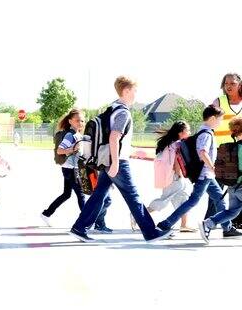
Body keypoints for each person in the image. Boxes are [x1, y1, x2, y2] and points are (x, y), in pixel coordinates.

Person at [69, 76, 172, 243]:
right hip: (117, 162)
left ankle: (79, 228)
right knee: (133, 196)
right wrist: (116, 162)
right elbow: (114, 137)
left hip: (108, 160)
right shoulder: (123, 112)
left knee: (99, 195)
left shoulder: (112, 108)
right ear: (126, 91)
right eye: (134, 91)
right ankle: (150, 232)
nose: (136, 95)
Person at [156, 105, 242, 237]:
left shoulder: (203, 131)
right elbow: (202, 152)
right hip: (204, 174)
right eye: (220, 119)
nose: (220, 123)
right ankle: (166, 224)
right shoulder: (207, 134)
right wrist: (212, 167)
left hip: (206, 174)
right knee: (193, 201)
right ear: (213, 118)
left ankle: (227, 228)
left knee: (220, 199)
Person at [130, 121, 196, 232]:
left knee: (183, 199)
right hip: (175, 177)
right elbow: (177, 162)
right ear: (181, 132)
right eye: (188, 130)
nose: (189, 132)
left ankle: (184, 224)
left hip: (171, 176)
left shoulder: (170, 143)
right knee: (164, 200)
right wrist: (179, 175)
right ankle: (137, 215)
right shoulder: (177, 144)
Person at [41, 110, 87, 225]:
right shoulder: (70, 135)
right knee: (80, 194)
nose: (80, 123)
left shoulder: (78, 135)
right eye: (77, 120)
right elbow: (60, 150)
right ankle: (85, 221)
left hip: (72, 168)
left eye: (82, 120)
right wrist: (72, 149)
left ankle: (46, 214)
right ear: (70, 121)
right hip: (70, 169)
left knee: (67, 194)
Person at [199, 117, 242, 243]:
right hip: (240, 186)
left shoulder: (231, 147)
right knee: (233, 212)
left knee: (232, 211)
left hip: (232, 186)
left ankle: (209, 223)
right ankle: (209, 223)